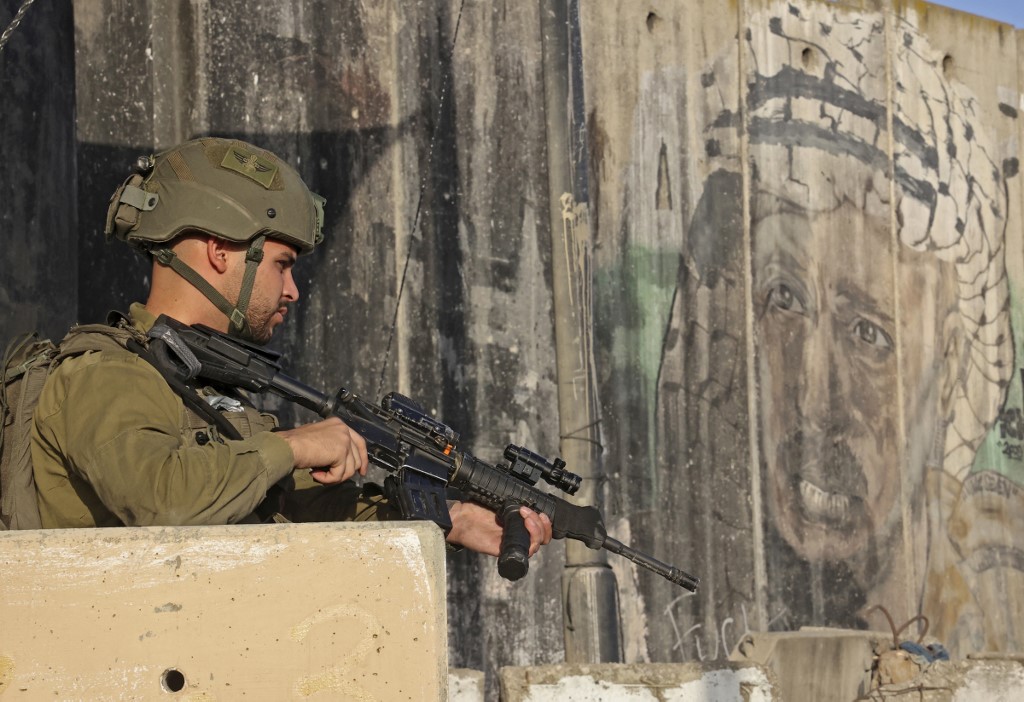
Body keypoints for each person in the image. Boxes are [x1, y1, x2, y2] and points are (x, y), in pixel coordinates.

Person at [30, 136, 552, 558]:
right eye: (282, 264)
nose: (293, 291)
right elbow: (161, 497)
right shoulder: (104, 373)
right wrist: (296, 445)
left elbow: (292, 506)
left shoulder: (200, 387)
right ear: (219, 251)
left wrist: (450, 518)